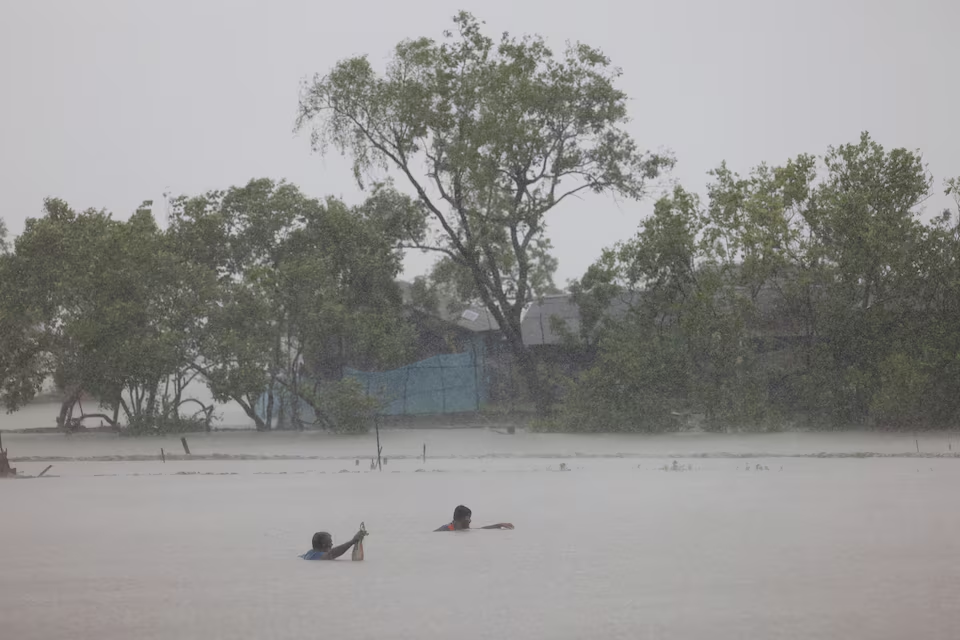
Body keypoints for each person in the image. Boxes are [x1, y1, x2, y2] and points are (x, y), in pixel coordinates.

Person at [301, 528, 367, 560]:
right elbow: (332, 553)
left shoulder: (310, 553)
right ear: (324, 545)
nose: (332, 545)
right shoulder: (317, 556)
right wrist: (352, 541)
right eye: (330, 542)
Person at [434, 505, 514, 531]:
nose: (470, 521)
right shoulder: (443, 530)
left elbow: (481, 529)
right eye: (468, 519)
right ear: (460, 520)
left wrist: (499, 525)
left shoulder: (461, 529)